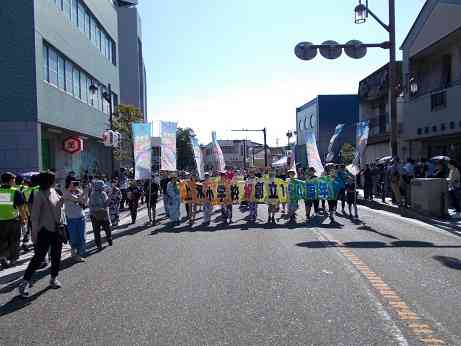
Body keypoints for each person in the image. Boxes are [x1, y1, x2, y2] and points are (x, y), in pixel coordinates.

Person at [19, 171, 65, 297]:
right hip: (43, 231)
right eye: (54, 179)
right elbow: (34, 217)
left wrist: (63, 200)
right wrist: (34, 234)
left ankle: (53, 278)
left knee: (56, 256)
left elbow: (58, 206)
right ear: (49, 181)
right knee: (38, 258)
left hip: (56, 229)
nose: (56, 181)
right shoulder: (38, 194)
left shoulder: (54, 191)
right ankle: (25, 282)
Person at [0, 172, 27, 269]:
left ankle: (2, 256)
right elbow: (21, 208)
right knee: (14, 240)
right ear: (11, 180)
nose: (14, 182)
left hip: (0, 221)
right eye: (14, 180)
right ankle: (12, 259)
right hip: (13, 220)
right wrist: (23, 219)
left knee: (2, 240)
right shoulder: (15, 192)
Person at [63, 178, 88, 262]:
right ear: (68, 184)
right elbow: (76, 199)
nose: (75, 184)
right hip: (71, 219)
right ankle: (75, 253)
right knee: (73, 238)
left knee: (82, 237)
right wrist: (84, 192)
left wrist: (86, 192)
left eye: (76, 182)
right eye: (73, 183)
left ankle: (79, 254)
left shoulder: (79, 191)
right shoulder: (66, 192)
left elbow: (84, 202)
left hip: (81, 217)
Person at [89, 180, 113, 251]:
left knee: (99, 230)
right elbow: (105, 204)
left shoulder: (98, 194)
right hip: (99, 215)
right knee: (104, 229)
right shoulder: (97, 194)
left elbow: (91, 206)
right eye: (103, 187)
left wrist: (109, 198)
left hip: (98, 214)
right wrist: (100, 208)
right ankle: (105, 241)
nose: (104, 188)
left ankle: (103, 242)